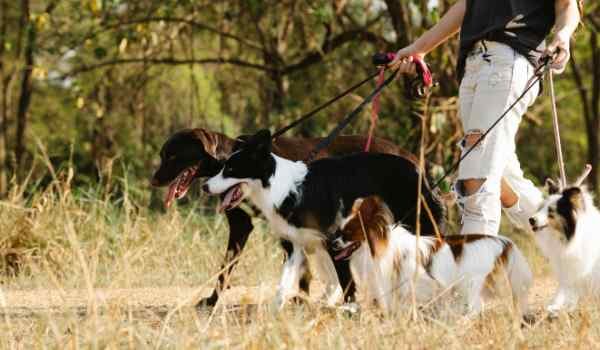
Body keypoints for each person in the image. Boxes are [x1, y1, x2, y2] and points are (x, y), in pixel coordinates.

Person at [390, 0, 582, 235]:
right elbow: (467, 5)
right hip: (473, 66)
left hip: (507, 60)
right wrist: (419, 48)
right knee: (502, 178)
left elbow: (566, 4)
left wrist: (562, 36)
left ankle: (473, 269)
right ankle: (574, 234)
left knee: (477, 180)